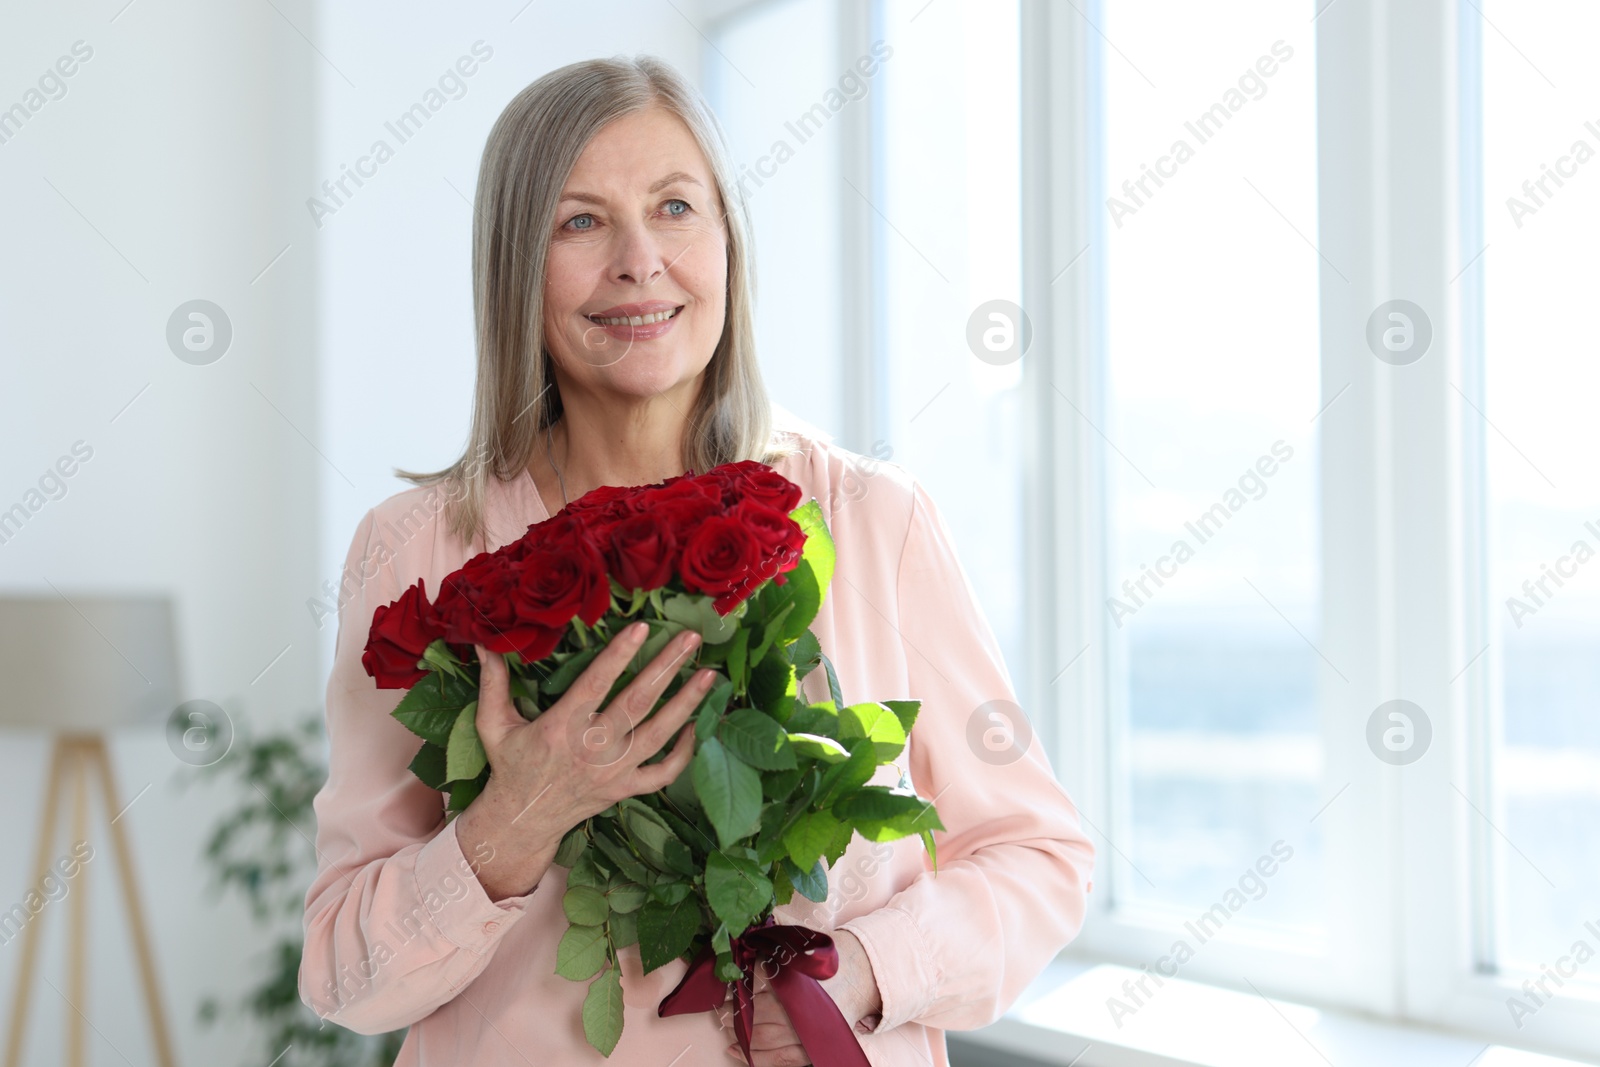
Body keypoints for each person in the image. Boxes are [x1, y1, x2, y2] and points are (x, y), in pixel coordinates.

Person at [299, 53, 1094, 1067]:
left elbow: (1035, 856)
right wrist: (512, 820)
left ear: (727, 240)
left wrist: (849, 970)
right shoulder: (418, 550)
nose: (640, 261)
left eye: (675, 207)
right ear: (514, 264)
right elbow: (345, 973)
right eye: (578, 221)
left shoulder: (869, 518)